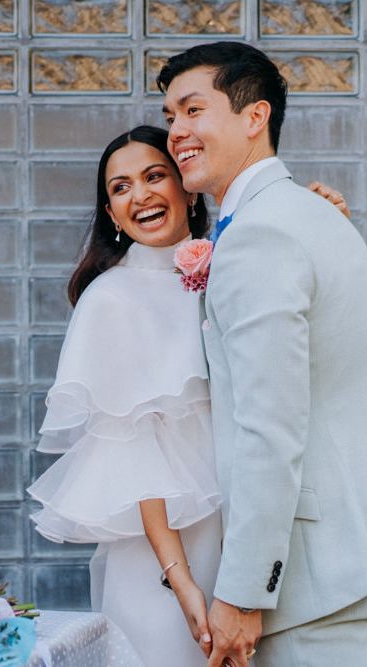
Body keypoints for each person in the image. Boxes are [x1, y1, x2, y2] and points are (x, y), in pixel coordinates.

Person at [26, 125, 349, 666]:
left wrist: (314, 225)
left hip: (251, 533)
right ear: (110, 213)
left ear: (188, 186)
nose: (141, 195)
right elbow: (134, 452)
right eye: (121, 187)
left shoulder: (232, 260)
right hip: (168, 551)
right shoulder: (111, 299)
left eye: (155, 176)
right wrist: (182, 582)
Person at [158, 41, 367, 667]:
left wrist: (246, 592)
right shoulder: (319, 217)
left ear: (256, 116)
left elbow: (268, 429)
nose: (177, 132)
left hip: (308, 591)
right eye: (169, 117)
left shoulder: (261, 234)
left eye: (193, 110)